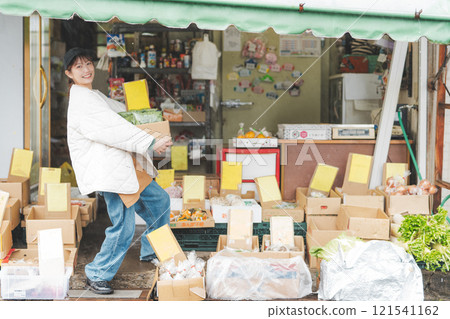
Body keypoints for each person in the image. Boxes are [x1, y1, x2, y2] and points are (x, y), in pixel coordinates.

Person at [64, 47, 172, 295]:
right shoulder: (82, 101)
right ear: (69, 73)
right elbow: (114, 128)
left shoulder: (94, 95)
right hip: (111, 172)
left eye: (88, 63)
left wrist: (150, 116)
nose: (86, 69)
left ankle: (151, 250)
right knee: (123, 225)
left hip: (125, 167)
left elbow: (123, 115)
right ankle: (97, 273)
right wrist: (151, 141)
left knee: (160, 201)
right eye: (78, 66)